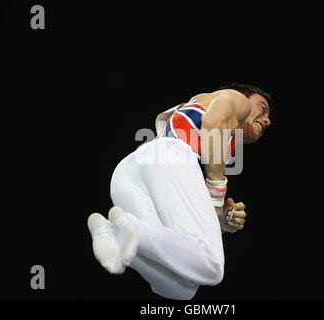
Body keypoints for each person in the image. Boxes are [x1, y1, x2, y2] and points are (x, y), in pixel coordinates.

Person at [87, 82, 272, 299]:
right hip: (168, 155)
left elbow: (181, 197)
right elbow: (213, 125)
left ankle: (111, 231)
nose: (267, 120)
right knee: (212, 265)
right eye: (263, 108)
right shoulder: (236, 100)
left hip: (127, 175)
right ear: (245, 97)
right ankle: (131, 227)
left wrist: (220, 221)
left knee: (181, 288)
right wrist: (217, 199)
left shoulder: (215, 150)